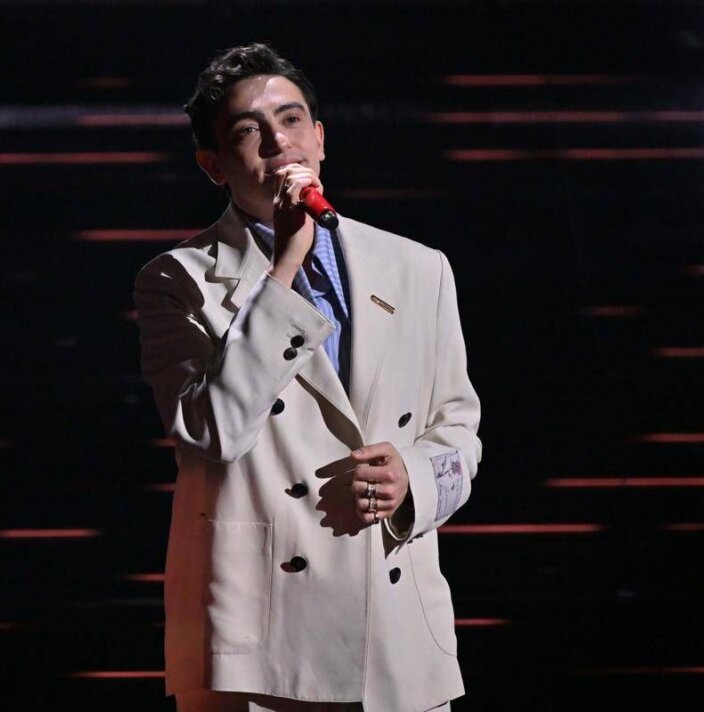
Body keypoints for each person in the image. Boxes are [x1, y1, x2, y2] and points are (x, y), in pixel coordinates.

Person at [133, 43, 482, 712]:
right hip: (260, 643)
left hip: (397, 638)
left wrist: (412, 476)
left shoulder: (418, 267)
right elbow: (211, 432)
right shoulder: (177, 280)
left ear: (319, 138)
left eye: (291, 120)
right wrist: (284, 267)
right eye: (249, 131)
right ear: (213, 165)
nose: (277, 143)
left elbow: (460, 432)